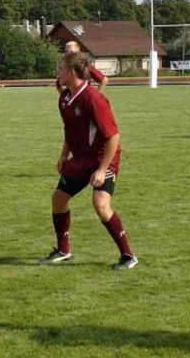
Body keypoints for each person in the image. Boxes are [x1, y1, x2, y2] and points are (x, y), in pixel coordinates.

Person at [41, 51, 136, 270]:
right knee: (58, 199)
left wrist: (102, 170)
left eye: (61, 69)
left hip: (102, 158)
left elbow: (113, 137)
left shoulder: (94, 99)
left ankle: (128, 255)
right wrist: (63, 155)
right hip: (80, 159)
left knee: (100, 204)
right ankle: (63, 250)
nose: (57, 73)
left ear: (72, 73)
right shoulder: (65, 98)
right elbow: (70, 130)